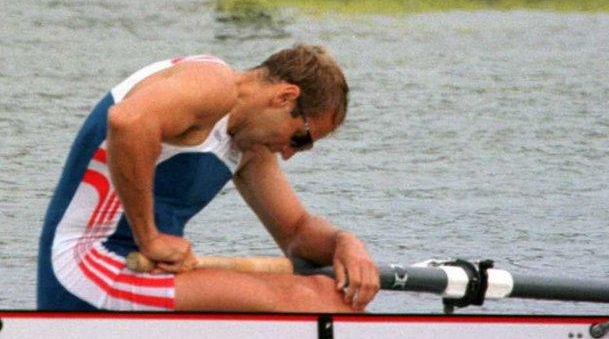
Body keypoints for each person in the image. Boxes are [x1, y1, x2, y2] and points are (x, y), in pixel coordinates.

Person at [38, 44, 380, 312]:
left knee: (328, 294)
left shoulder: (248, 145)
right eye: (300, 138)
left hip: (146, 270)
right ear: (284, 97)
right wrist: (150, 238)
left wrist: (344, 243)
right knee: (316, 300)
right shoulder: (212, 84)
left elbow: (295, 232)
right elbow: (128, 121)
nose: (289, 153)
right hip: (88, 265)